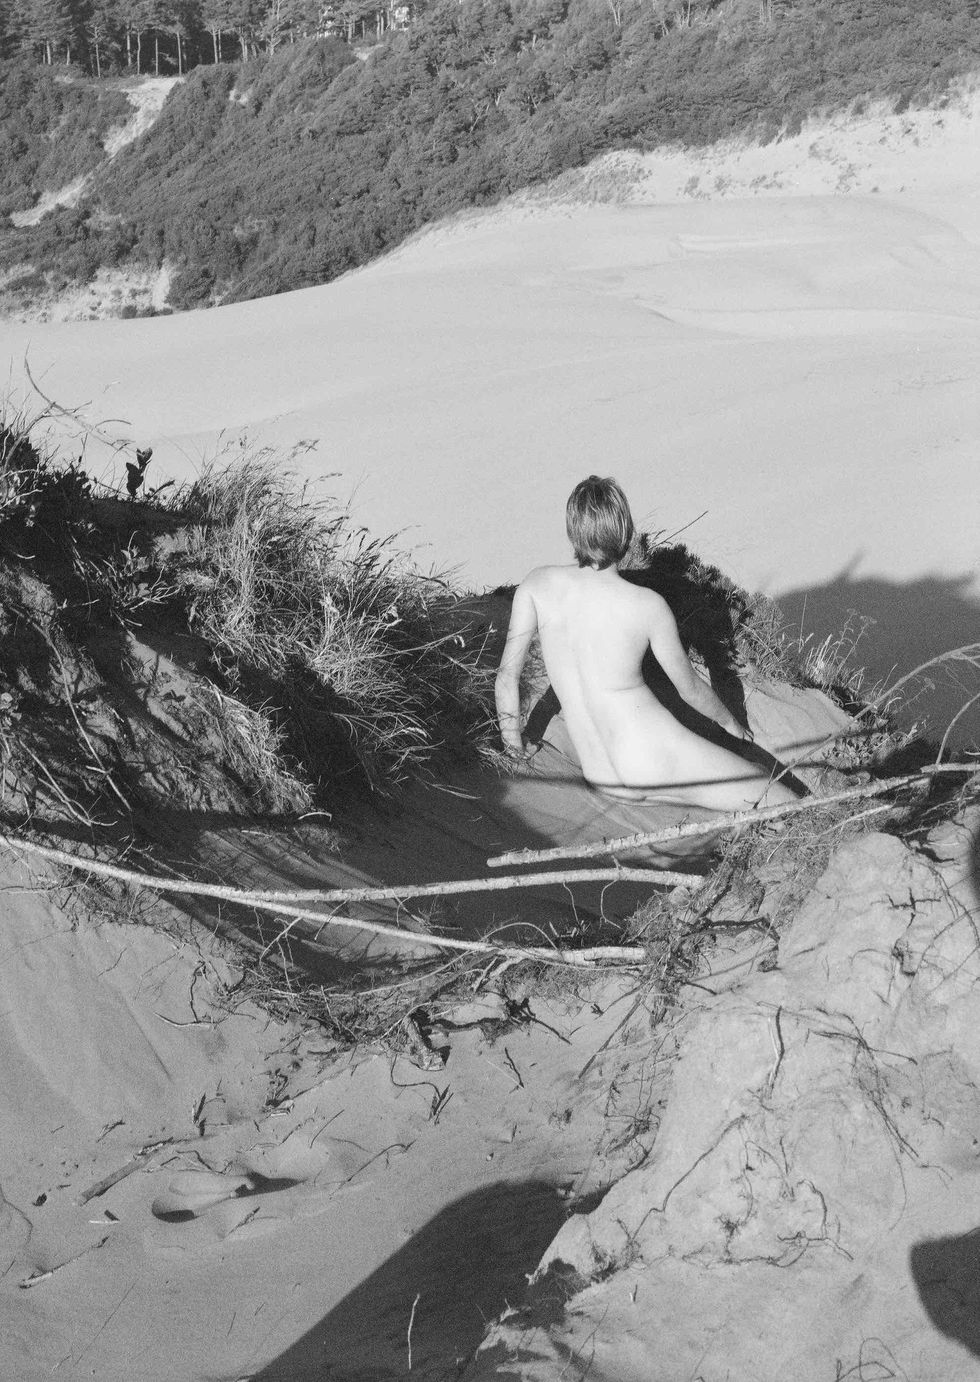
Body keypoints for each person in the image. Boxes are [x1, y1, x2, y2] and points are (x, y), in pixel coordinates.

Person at [494, 476, 798, 812]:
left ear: (573, 531)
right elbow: (690, 689)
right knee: (779, 798)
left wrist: (514, 747)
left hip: (602, 778)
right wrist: (732, 726)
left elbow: (507, 678)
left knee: (752, 789)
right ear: (626, 532)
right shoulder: (647, 605)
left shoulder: (535, 586)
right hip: (655, 761)